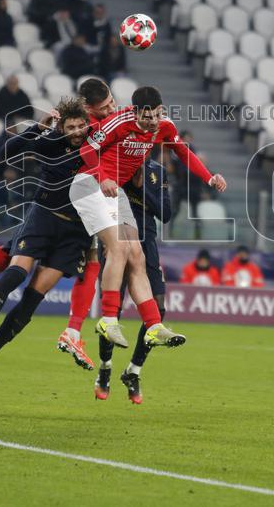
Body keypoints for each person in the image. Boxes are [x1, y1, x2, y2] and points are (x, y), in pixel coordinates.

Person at [70, 86, 226, 349]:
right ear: (135, 113)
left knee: (137, 256)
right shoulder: (118, 121)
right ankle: (108, 319)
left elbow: (183, 152)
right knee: (119, 248)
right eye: (147, 117)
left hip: (113, 193)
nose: (153, 122)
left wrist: (209, 176)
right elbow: (86, 150)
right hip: (89, 184)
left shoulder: (164, 125)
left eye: (157, 115)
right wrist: (104, 176)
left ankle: (153, 325)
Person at [0, 99, 98, 381]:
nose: (77, 131)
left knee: (32, 299)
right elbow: (7, 150)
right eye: (71, 126)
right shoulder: (51, 142)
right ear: (61, 126)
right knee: (16, 272)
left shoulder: (96, 143)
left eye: (81, 125)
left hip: (75, 232)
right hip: (44, 216)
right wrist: (38, 127)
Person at [94, 157, 171, 403]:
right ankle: (105, 368)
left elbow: (166, 214)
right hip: (115, 238)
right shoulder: (113, 164)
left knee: (158, 309)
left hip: (146, 241)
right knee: (112, 314)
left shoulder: (157, 172)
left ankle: (133, 372)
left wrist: (141, 189)